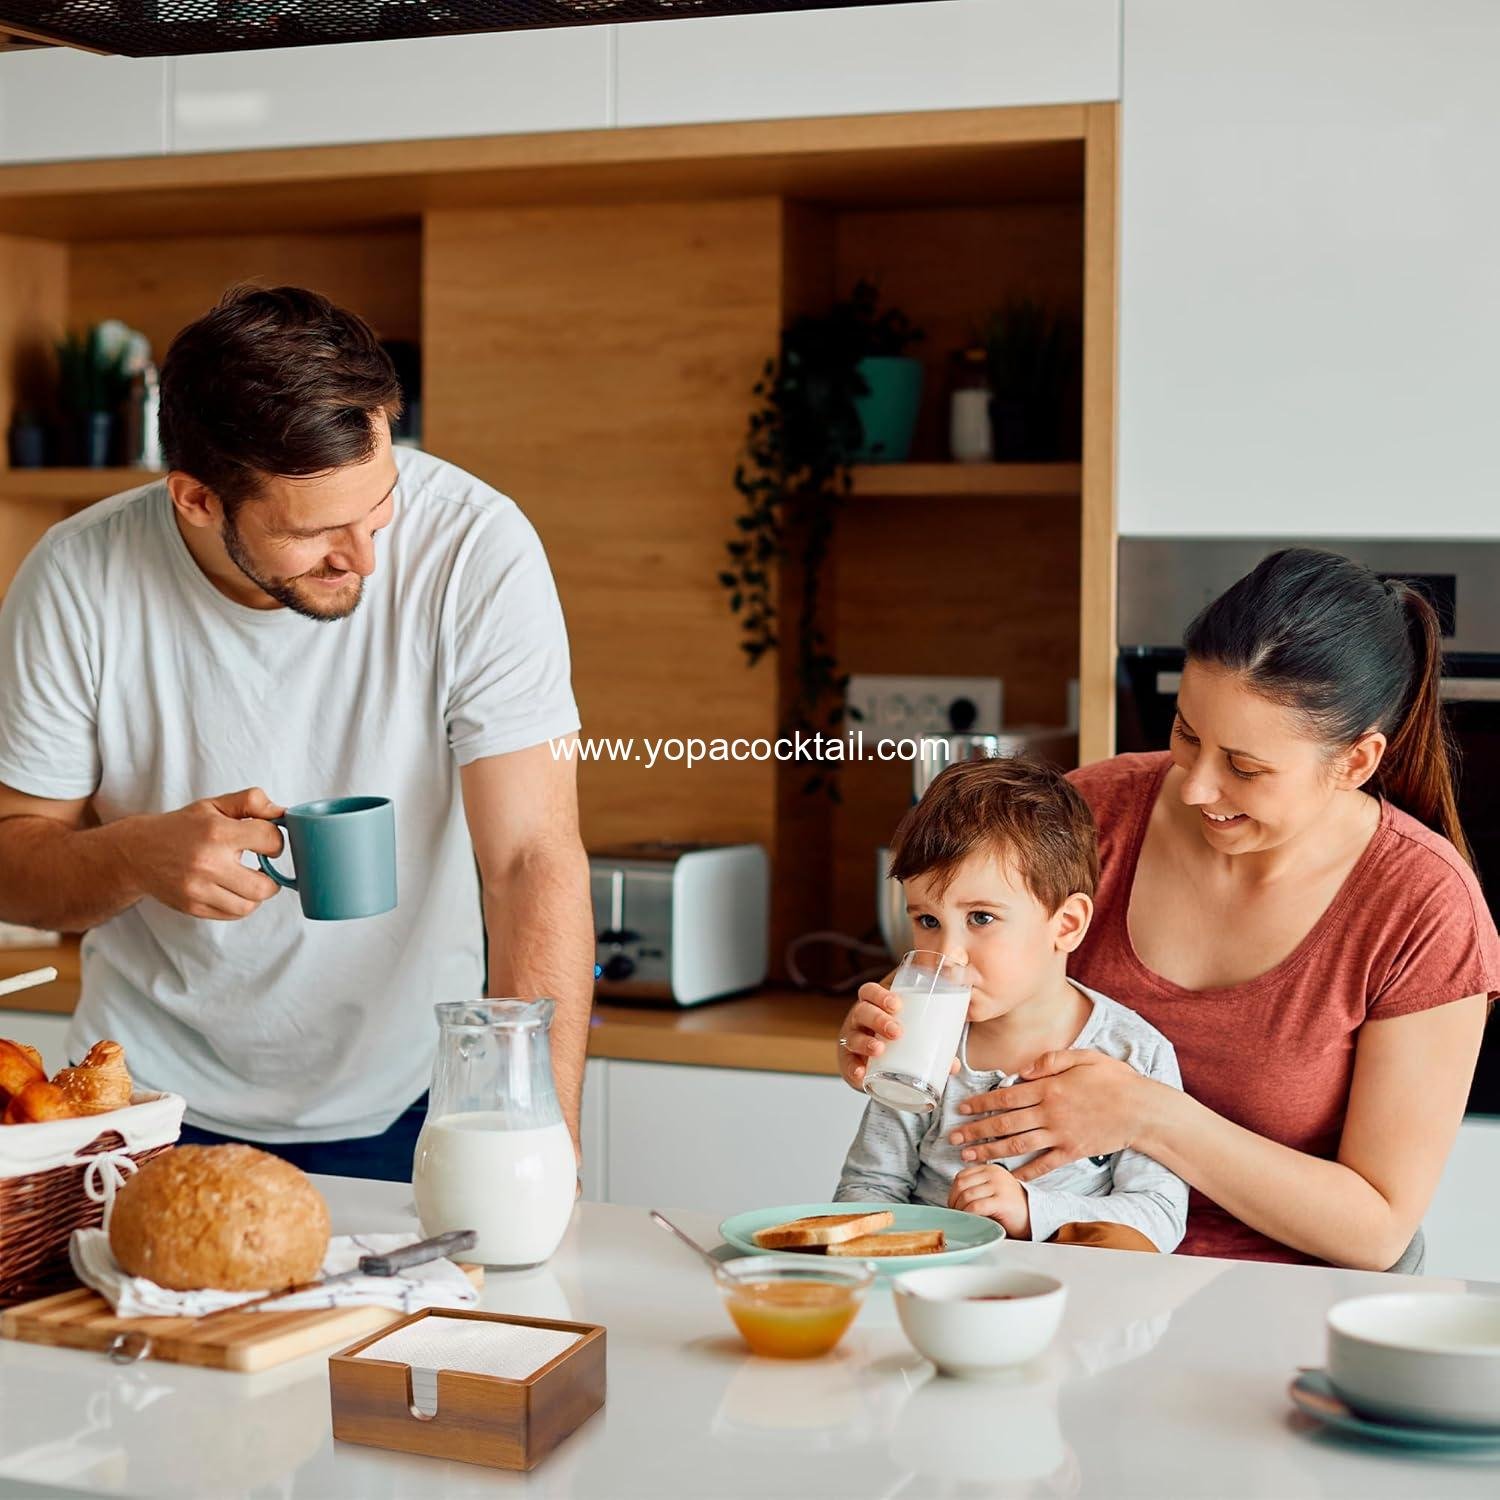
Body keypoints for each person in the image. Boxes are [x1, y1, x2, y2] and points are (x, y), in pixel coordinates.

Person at [0, 286, 594, 1181]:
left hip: (416, 1105)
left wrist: (541, 1150)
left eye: (381, 507)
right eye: (318, 532)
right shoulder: (79, 576)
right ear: (197, 499)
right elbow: (15, 862)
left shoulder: (477, 548)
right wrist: (134, 858)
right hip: (145, 1116)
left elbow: (531, 862)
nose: (366, 558)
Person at [837, 548, 1498, 1269]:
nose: (1193, 789)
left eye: (1244, 767)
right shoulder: (1093, 813)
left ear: (1357, 762)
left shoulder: (1424, 909)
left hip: (1279, 1301)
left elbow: (1376, 1232)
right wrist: (896, 1030)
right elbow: (969, 962)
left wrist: (1149, 1115)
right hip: (1055, 1277)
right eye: (1185, 733)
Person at [836, 757, 1188, 1254]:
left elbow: (1160, 1216)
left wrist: (1031, 1210)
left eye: (981, 918)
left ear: (1065, 925)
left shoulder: (1133, 1052)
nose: (947, 955)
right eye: (928, 921)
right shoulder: (920, 1040)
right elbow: (868, 1190)